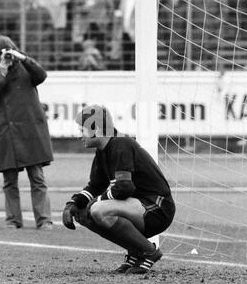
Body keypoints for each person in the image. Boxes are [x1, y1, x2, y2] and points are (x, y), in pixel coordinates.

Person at [62, 105, 176, 274]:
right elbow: (95, 186)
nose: (79, 135)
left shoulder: (121, 144)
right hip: (138, 207)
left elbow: (124, 187)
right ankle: (136, 251)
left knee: (98, 209)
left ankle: (150, 252)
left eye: (83, 130)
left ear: (97, 130)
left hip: (157, 208)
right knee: (81, 212)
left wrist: (98, 201)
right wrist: (73, 203)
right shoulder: (103, 150)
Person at [0, 35, 54, 230]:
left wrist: (22, 57)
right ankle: (13, 220)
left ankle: (44, 219)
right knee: (9, 181)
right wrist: (3, 73)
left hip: (30, 129)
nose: (7, 57)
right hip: (7, 131)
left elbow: (41, 75)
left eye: (10, 53)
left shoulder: (27, 67)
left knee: (37, 177)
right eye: (3, 55)